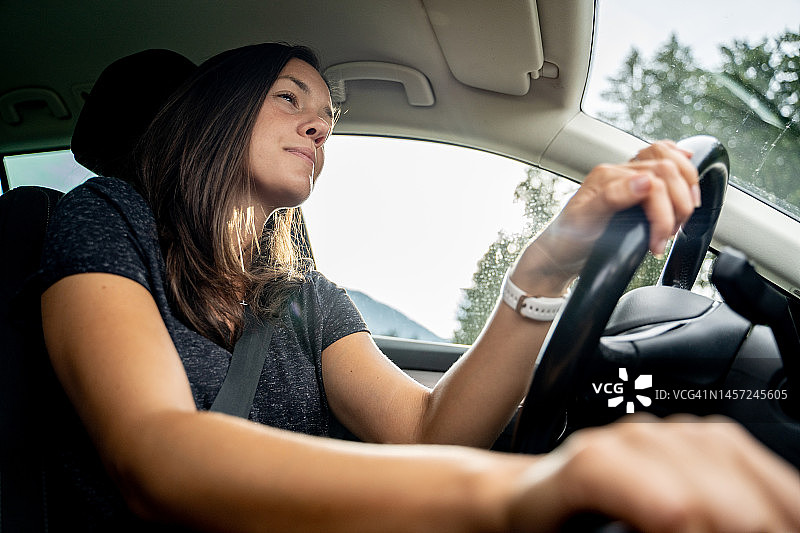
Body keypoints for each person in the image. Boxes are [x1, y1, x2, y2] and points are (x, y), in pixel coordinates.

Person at [39, 42, 800, 532]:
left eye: (328, 119)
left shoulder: (302, 295)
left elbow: (427, 432)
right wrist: (516, 492)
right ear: (215, 110)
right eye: (290, 99)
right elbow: (155, 451)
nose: (320, 128)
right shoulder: (107, 218)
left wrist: (544, 266)